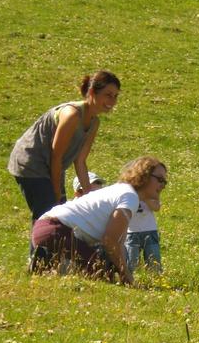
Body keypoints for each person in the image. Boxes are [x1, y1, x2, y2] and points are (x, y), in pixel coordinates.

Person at [8, 70, 121, 253]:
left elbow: (80, 161)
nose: (112, 101)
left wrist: (88, 195)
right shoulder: (71, 115)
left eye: (115, 96)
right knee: (48, 212)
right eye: (107, 95)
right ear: (92, 93)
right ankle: (37, 263)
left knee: (59, 213)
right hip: (31, 162)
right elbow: (56, 156)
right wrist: (56, 191)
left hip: (52, 167)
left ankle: (49, 262)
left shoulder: (94, 123)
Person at [30, 156, 167, 285]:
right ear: (144, 176)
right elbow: (110, 241)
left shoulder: (123, 191)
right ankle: (47, 265)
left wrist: (123, 270)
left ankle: (48, 260)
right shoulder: (129, 196)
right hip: (56, 231)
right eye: (160, 179)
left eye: (165, 181)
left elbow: (118, 242)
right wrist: (127, 278)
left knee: (109, 265)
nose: (163, 185)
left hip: (46, 229)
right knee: (102, 271)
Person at [125, 189, 163, 274]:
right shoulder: (127, 191)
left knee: (154, 264)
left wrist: (144, 196)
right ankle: (133, 283)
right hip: (131, 232)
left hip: (150, 230)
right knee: (132, 264)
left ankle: (154, 283)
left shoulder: (150, 189)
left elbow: (156, 207)